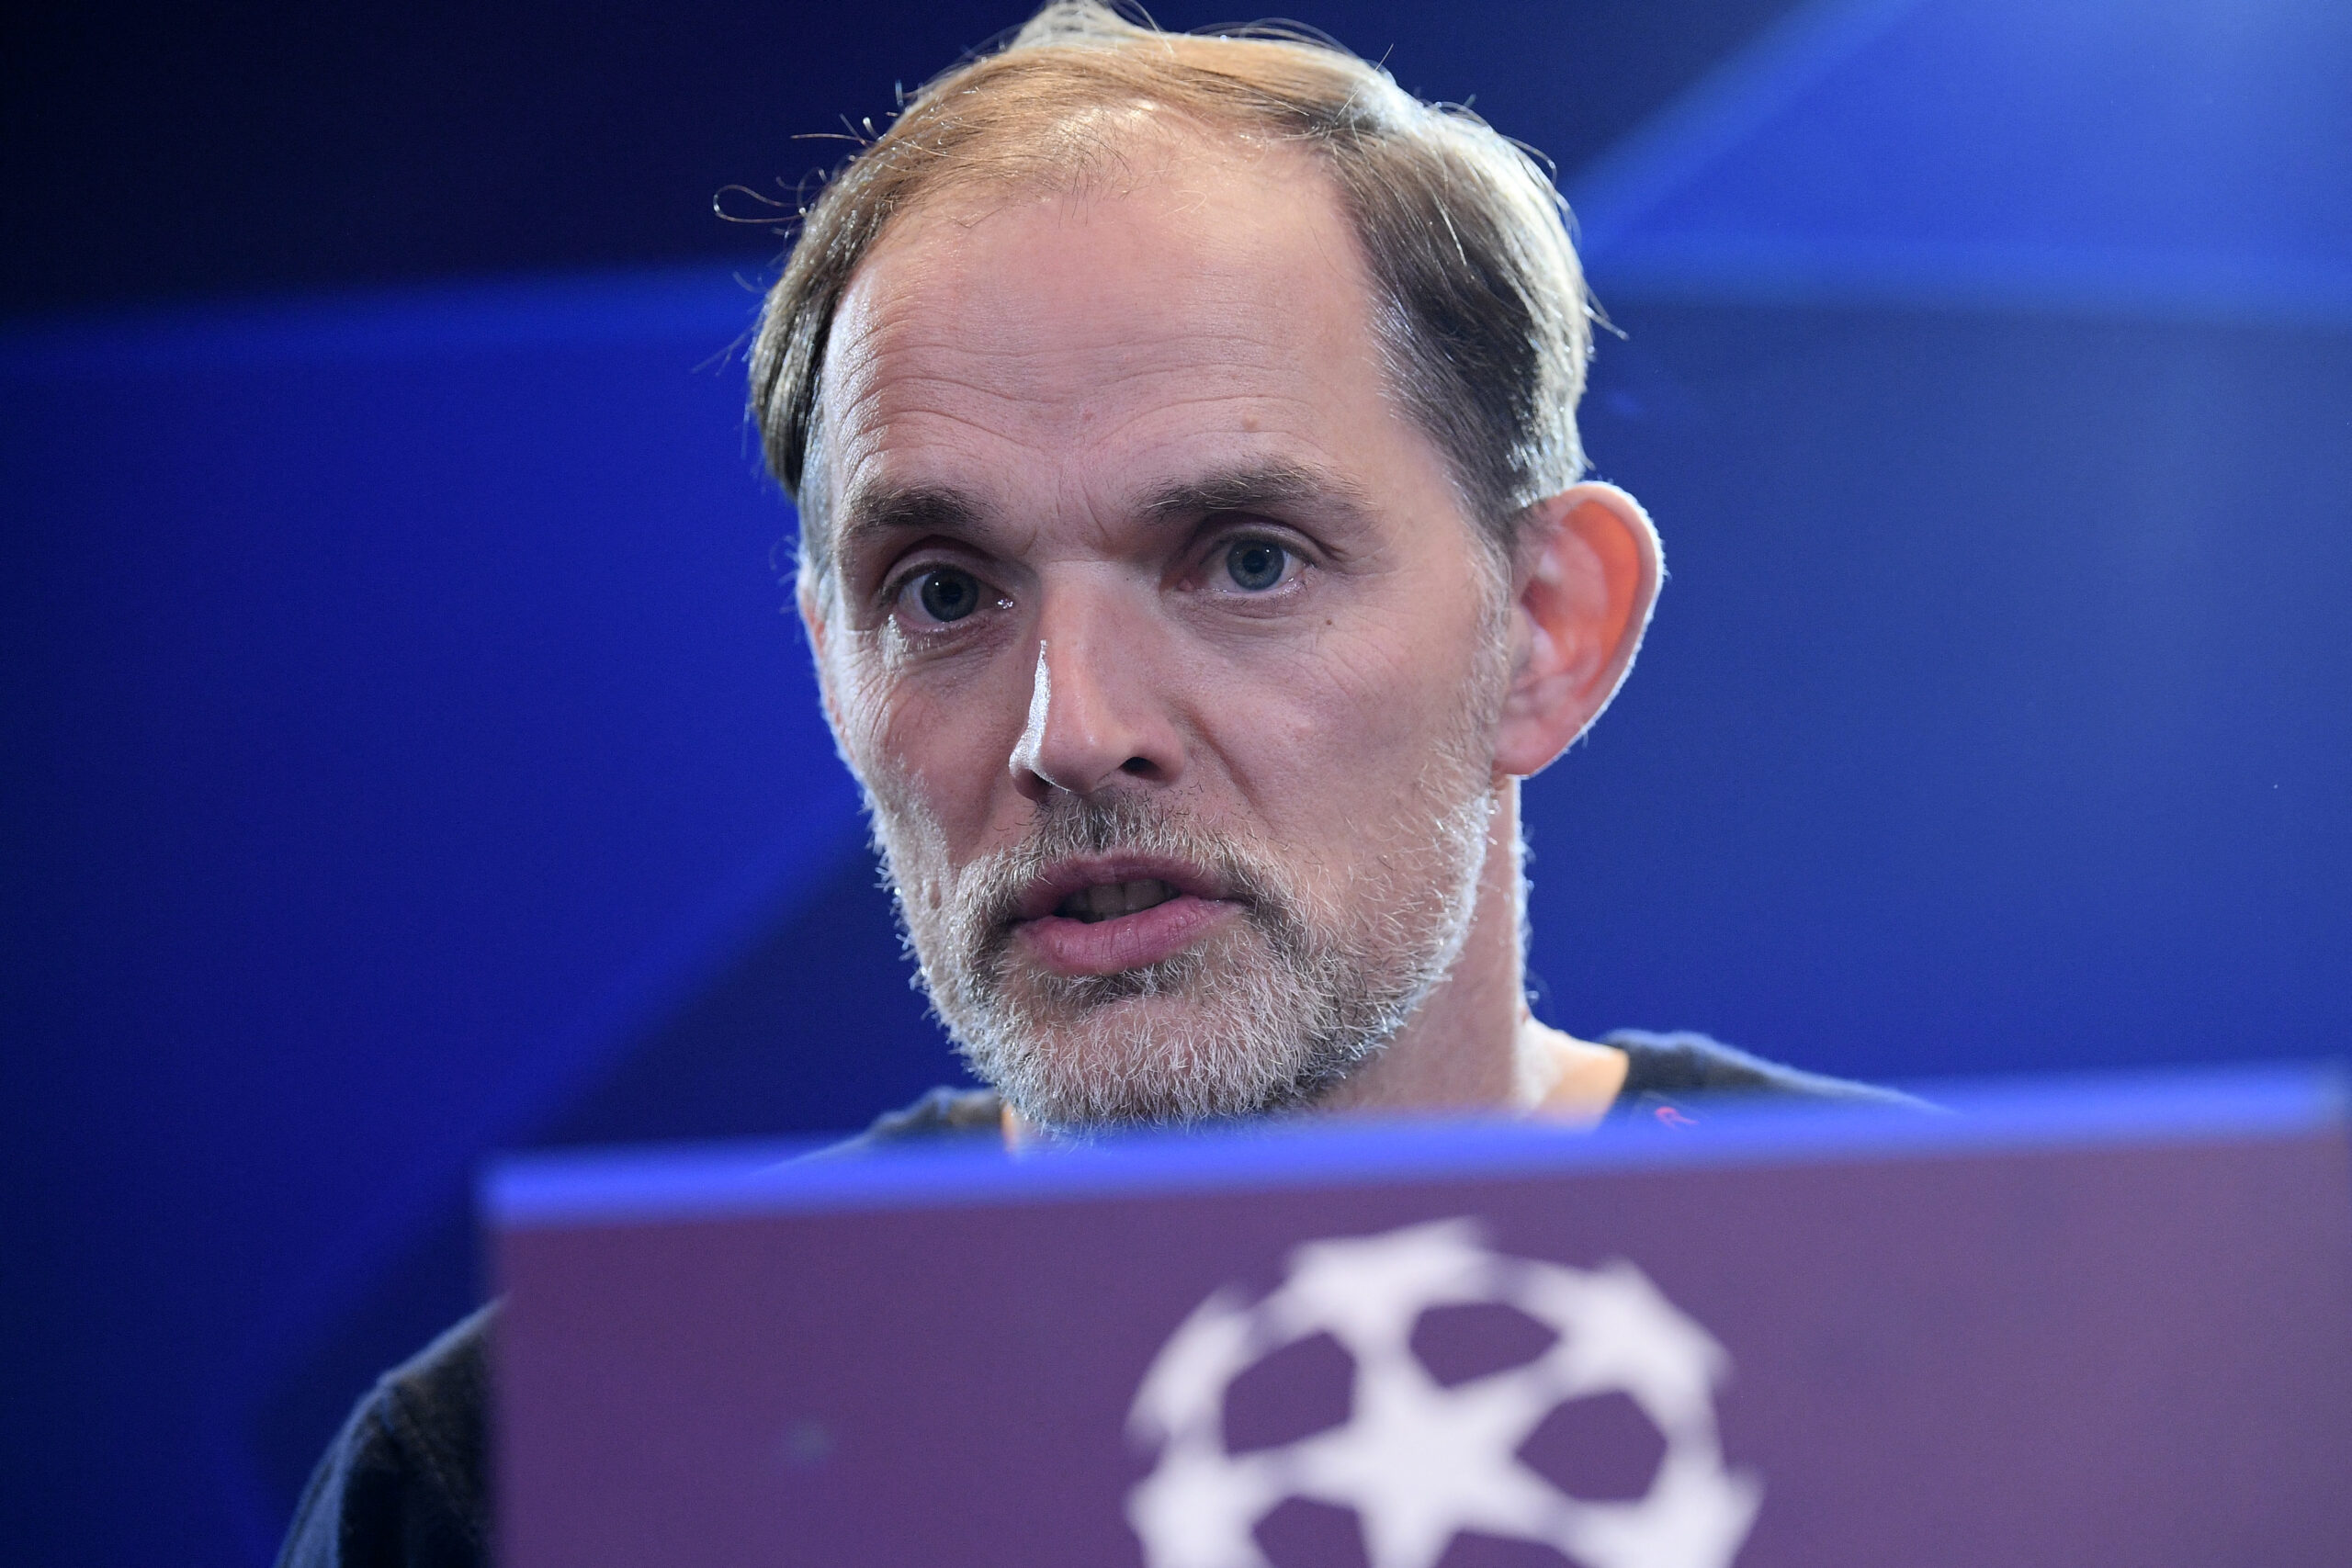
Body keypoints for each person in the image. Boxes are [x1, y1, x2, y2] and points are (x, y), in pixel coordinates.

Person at [278, 6, 1914, 1564]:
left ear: (1545, 631)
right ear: (832, 669)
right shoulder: (532, 1479)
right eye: (944, 593)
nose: (1072, 729)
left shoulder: (1963, 1342)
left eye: (1248, 559)